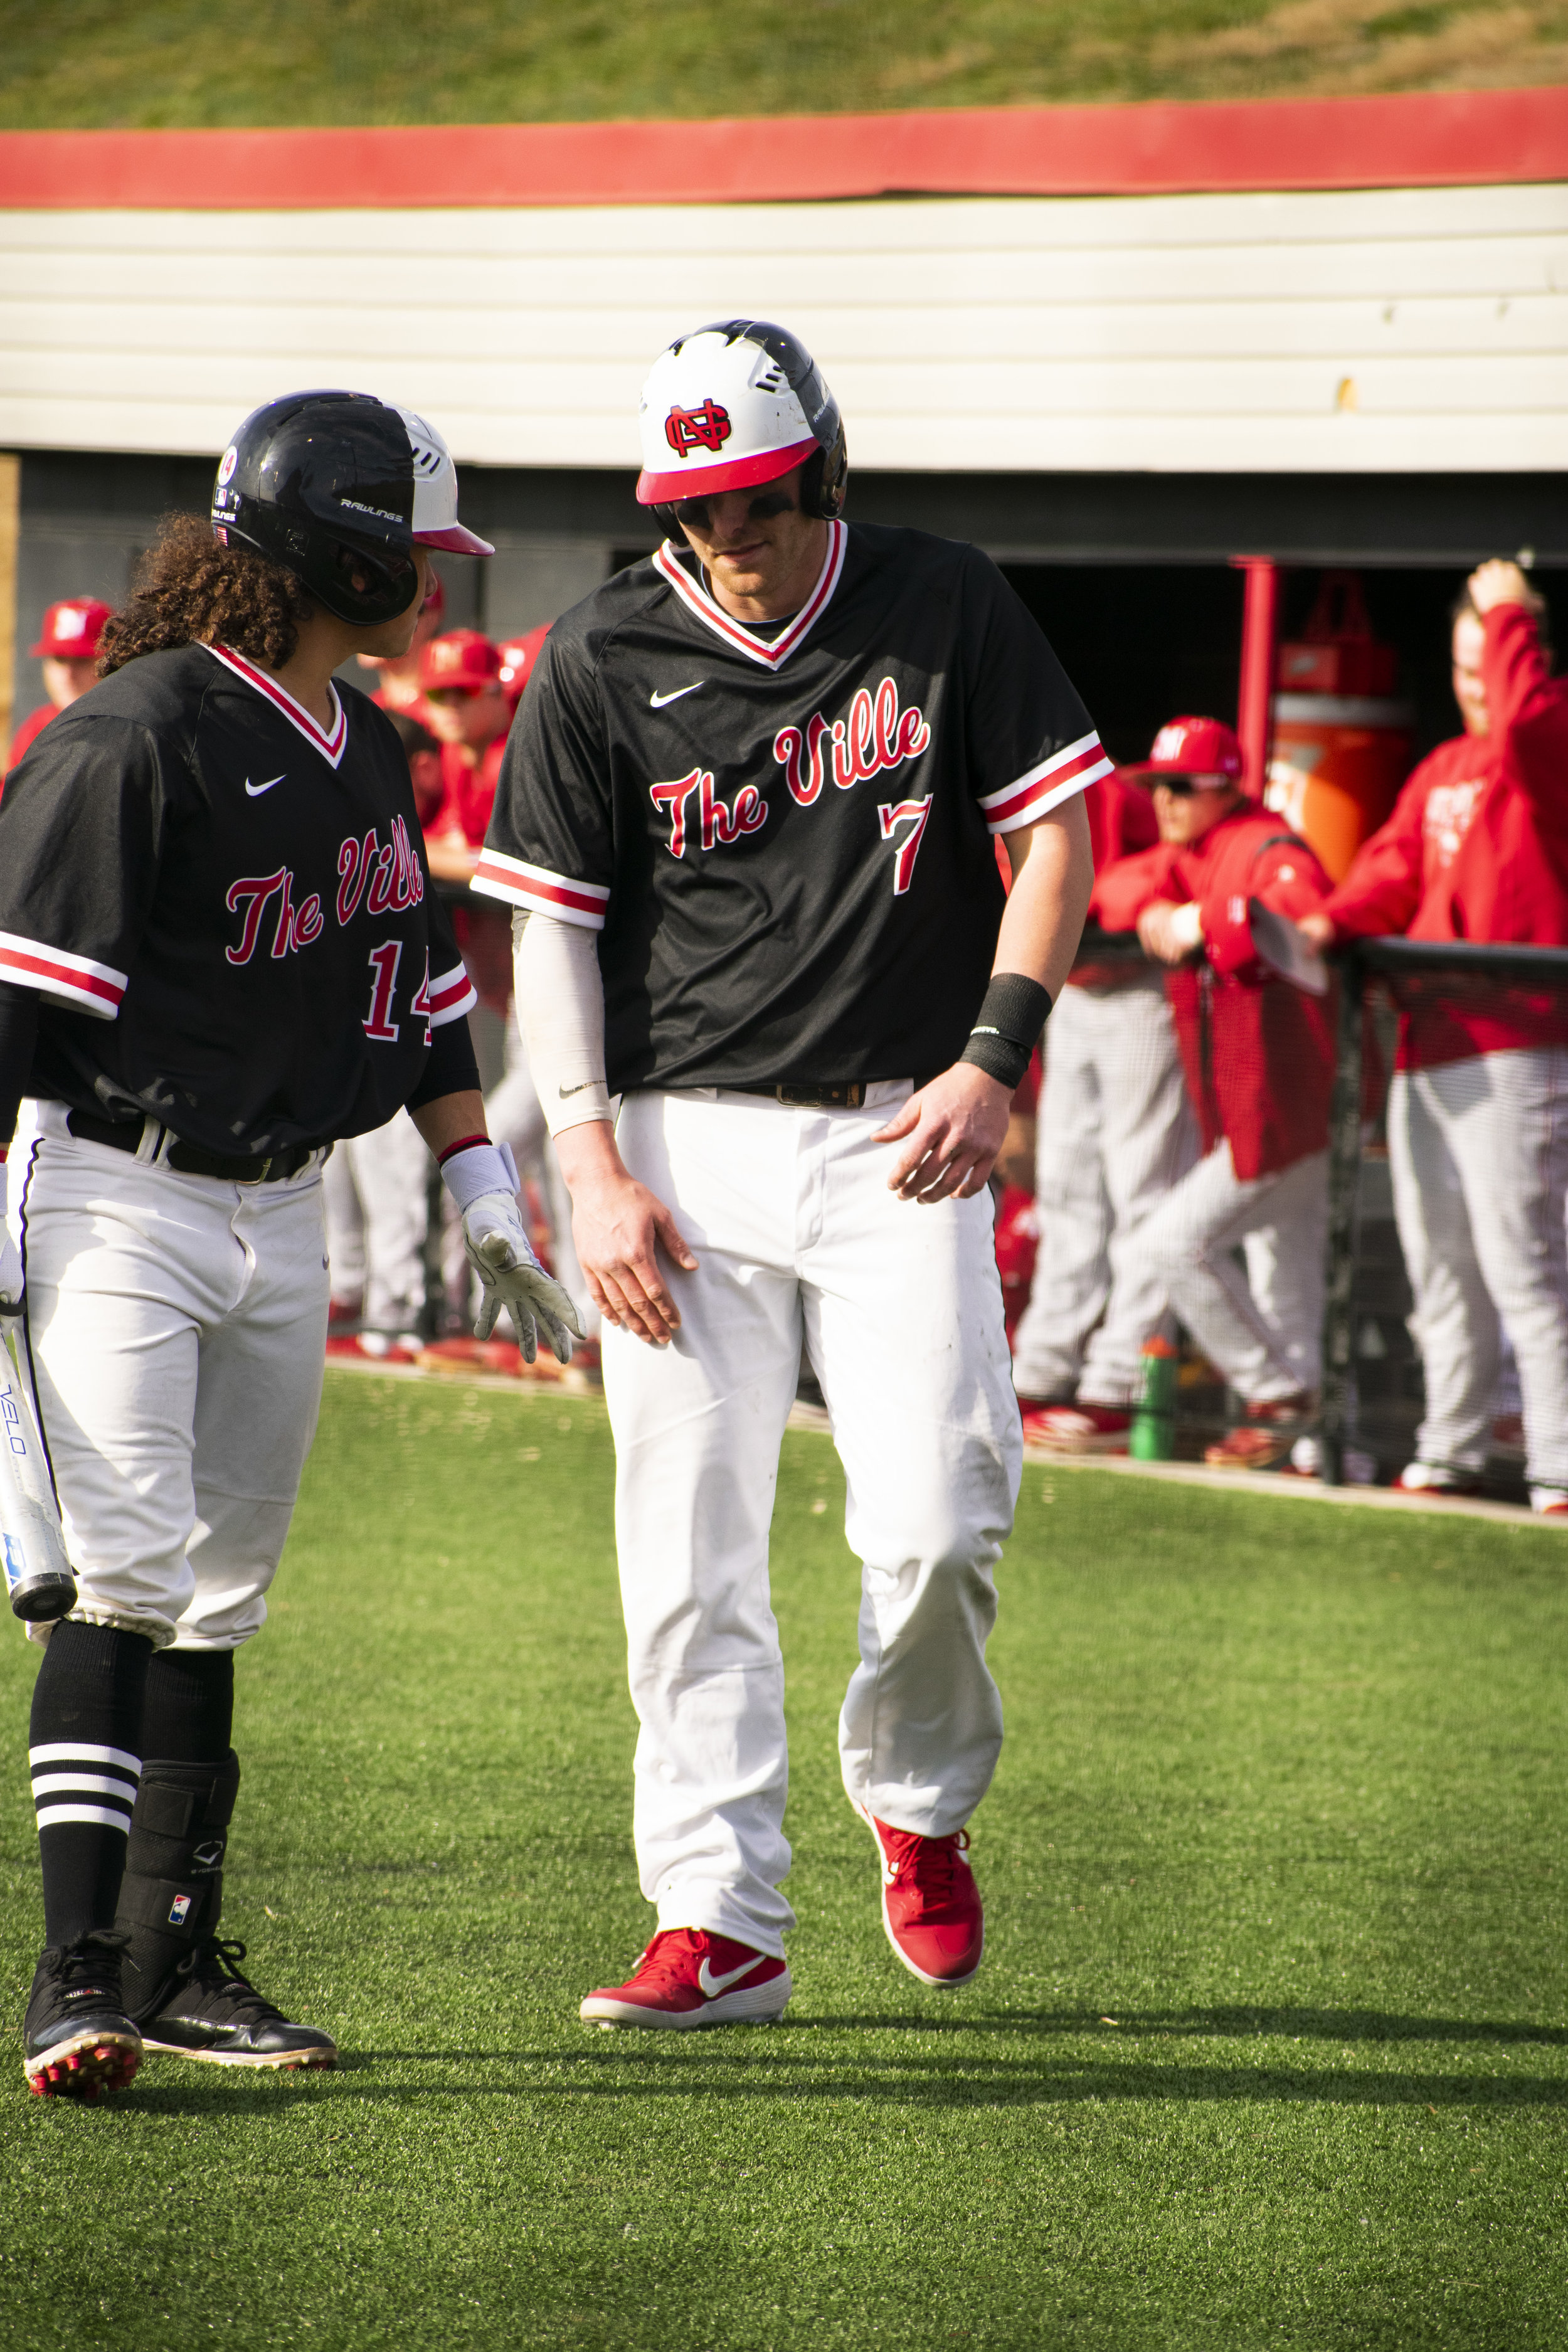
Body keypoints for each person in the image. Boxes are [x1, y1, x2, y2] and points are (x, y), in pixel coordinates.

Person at [479, 317, 1099, 2026]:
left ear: (821, 468)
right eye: (693, 507)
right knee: (682, 1546)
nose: (723, 536)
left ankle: (914, 1799)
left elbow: (1055, 834)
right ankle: (717, 1911)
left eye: (752, 498)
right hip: (677, 1142)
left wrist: (994, 1056)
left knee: (942, 1517)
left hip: (907, 1126)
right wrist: (587, 1164)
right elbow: (551, 927)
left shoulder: (945, 597)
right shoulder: (603, 643)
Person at [0, 390, 578, 2102]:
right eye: (420, 555)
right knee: (117, 1574)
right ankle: (73, 1967)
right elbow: (18, 1004)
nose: (439, 590)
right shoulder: (136, 732)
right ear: (345, 546)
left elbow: (423, 989)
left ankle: (177, 1954)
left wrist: (477, 1181)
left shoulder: (369, 741)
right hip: (121, 1189)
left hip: (281, 1201)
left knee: (219, 1601)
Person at [1298, 559, 1568, 1515]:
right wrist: (1330, 921)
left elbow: (1534, 725)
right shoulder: (1445, 767)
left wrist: (1507, 613)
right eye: (1461, 667)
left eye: (1486, 662)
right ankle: (1451, 1445)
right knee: (1441, 1261)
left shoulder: (1549, 728)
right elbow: (1390, 868)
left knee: (1524, 1263)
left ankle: (1557, 1463)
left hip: (1516, 1041)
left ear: (1521, 655)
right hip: (1429, 1045)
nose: (1474, 687)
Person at [1093, 717, 1337, 1468]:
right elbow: (1108, 890)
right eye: (1156, 786)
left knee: (1172, 1242)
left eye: (1181, 787)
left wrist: (1211, 919)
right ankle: (1306, 1445)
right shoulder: (1193, 853)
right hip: (1260, 1116)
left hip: (1289, 1113)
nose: (1162, 800)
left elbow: (1305, 922)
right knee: (1285, 1283)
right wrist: (1157, 912)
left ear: (1225, 788)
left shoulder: (1265, 844)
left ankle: (1281, 1398)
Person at [1013, 766, 1199, 1451]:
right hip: (1073, 992)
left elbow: (1158, 875)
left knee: (1141, 1195)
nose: (1172, 798)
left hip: (1141, 992)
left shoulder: (1111, 790)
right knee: (1069, 1194)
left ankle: (1118, 1388)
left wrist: (1138, 901)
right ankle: (1040, 1371)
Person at [6, 598, 113, 774]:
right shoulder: (37, 727)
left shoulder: (128, 727)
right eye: (59, 660)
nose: (68, 675)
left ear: (111, 664)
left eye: (82, 661)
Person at [356, 564, 445, 719]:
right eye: (364, 609)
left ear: (430, 620)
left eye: (388, 610)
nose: (369, 621)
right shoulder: (371, 706)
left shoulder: (448, 706)